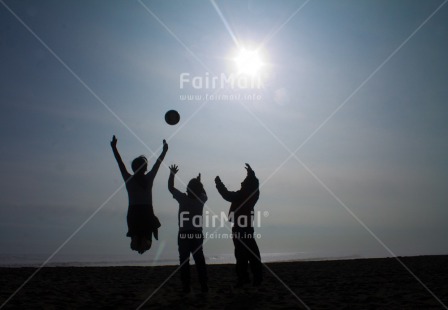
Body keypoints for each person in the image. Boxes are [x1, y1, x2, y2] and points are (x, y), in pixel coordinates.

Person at [111, 135, 168, 254]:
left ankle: (136, 239)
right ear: (146, 168)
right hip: (147, 210)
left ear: (133, 168)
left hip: (133, 211)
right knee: (147, 241)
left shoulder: (128, 179)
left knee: (136, 238)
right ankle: (142, 242)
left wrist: (114, 148)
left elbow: (120, 163)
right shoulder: (149, 178)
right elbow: (158, 163)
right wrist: (164, 151)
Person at [215, 163, 262, 287]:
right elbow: (255, 185)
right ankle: (254, 278)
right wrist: (251, 174)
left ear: (247, 185)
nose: (241, 183)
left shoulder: (242, 195)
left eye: (243, 182)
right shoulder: (253, 195)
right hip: (247, 227)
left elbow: (226, 195)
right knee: (252, 254)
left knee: (241, 255)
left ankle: (244, 278)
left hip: (239, 228)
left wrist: (218, 183)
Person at [168, 164, 208, 293]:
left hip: (184, 234)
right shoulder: (201, 199)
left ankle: (186, 286)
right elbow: (204, 193)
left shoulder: (183, 198)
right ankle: (204, 286)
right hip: (196, 234)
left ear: (188, 189)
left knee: (184, 261)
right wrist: (200, 183)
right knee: (199, 260)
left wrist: (172, 174)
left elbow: (170, 187)